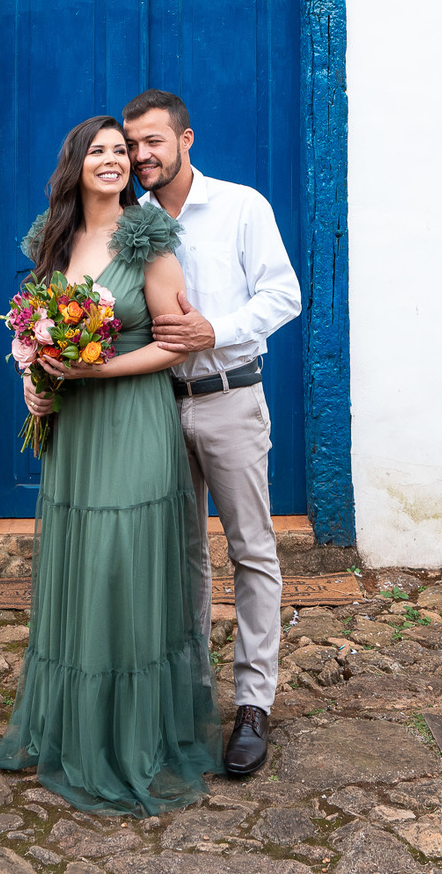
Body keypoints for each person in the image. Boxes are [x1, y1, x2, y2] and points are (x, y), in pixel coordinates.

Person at [0, 114, 222, 814]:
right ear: (77, 163)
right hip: (74, 429)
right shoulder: (53, 239)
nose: (115, 159)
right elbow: (33, 330)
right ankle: (75, 729)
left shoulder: (149, 239)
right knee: (82, 561)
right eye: (100, 150)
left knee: (124, 560)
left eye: (122, 151)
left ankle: (132, 737)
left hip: (132, 418)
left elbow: (175, 343)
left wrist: (95, 369)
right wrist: (34, 381)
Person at [121, 90, 302, 778]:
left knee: (252, 550)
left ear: (186, 139)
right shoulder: (130, 221)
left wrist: (213, 332)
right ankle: (193, 698)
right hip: (155, 407)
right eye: (133, 145)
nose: (141, 155)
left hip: (230, 397)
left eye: (153, 141)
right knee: (182, 556)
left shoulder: (240, 207)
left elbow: (283, 295)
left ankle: (253, 704)